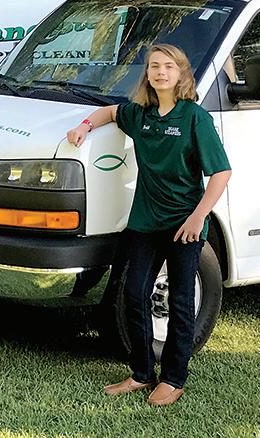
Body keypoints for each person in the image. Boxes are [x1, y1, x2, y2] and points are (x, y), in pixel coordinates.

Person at [66, 44, 231, 406]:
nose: (160, 72)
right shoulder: (140, 114)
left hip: (184, 225)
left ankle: (173, 379)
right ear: (148, 75)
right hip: (145, 222)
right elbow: (110, 112)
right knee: (133, 293)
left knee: (181, 302)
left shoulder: (194, 118)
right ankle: (141, 373)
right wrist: (83, 126)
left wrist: (198, 217)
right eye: (154, 66)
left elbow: (221, 173)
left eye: (168, 66)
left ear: (181, 73)